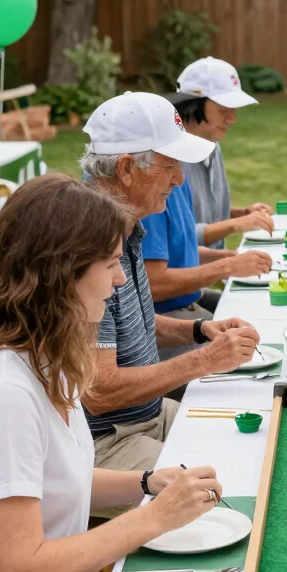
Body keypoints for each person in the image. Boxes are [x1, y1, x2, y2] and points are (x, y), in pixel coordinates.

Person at [0, 174, 224, 572]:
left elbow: (55, 478)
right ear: (62, 271)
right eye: (112, 264)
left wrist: (146, 484)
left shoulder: (44, 356)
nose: (120, 280)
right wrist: (153, 520)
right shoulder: (6, 392)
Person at [80, 92, 260, 475]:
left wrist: (199, 329)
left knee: (255, 435)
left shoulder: (124, 227)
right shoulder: (86, 249)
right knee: (232, 474)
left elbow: (130, 326)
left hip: (148, 415)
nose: (179, 179)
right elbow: (100, 392)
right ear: (127, 168)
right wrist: (206, 359)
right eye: (170, 166)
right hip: (106, 442)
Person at [171, 56, 275, 250]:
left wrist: (244, 213)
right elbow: (176, 236)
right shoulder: (168, 158)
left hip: (213, 265)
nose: (232, 119)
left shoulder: (212, 145)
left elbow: (204, 215)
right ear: (193, 105)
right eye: (223, 110)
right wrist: (236, 224)